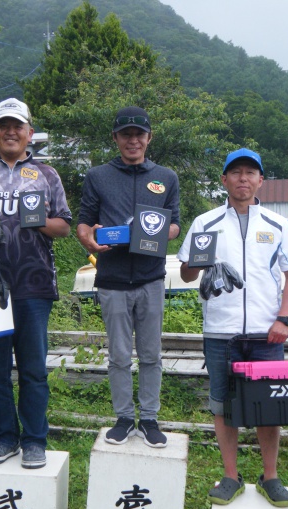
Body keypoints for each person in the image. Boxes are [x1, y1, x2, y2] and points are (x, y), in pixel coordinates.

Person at [177, 148, 288, 507]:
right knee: (222, 406)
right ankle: (230, 476)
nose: (243, 179)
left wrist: (284, 318)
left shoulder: (277, 224)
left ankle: (270, 477)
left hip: (268, 332)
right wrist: (195, 264)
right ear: (224, 180)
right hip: (221, 331)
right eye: (235, 172)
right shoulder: (205, 223)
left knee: (271, 406)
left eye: (251, 173)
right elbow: (187, 272)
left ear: (260, 180)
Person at [0, 98, 71, 469]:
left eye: (18, 126)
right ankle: (4, 438)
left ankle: (35, 440)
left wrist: (35, 218)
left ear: (29, 132)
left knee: (33, 368)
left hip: (33, 284)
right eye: (3, 125)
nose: (11, 132)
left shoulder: (47, 174)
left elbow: (64, 227)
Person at [77, 106, 180, 448]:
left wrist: (158, 232)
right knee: (119, 355)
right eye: (126, 134)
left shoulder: (166, 177)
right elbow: (84, 222)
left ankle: (149, 418)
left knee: (151, 354)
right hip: (112, 280)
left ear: (149, 138)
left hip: (151, 278)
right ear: (115, 138)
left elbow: (177, 223)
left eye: (139, 134)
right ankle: (123, 417)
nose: (133, 140)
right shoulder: (97, 176)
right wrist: (90, 237)